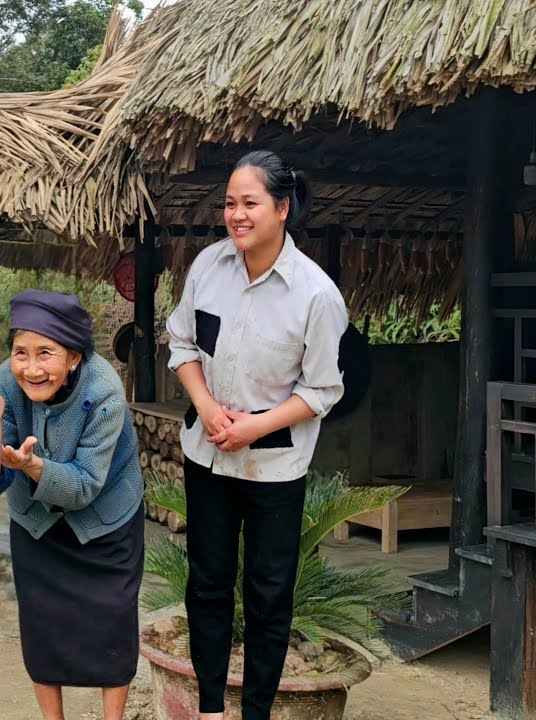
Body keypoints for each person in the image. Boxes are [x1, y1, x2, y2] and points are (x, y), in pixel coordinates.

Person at [165, 150, 348, 720]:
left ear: (282, 209)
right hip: (208, 456)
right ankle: (213, 709)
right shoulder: (207, 268)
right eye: (229, 203)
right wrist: (204, 404)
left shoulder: (316, 296)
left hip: (275, 470)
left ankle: (257, 713)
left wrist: (255, 427)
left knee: (269, 597)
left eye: (250, 203)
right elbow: (183, 346)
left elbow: (322, 391)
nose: (236, 215)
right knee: (207, 585)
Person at [0, 289, 145, 720]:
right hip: (37, 524)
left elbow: (84, 487)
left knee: (112, 627)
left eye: (46, 353)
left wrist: (34, 468)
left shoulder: (105, 392)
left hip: (105, 520)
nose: (31, 367)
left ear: (75, 357)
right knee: (42, 629)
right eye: (21, 352)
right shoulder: (6, 380)